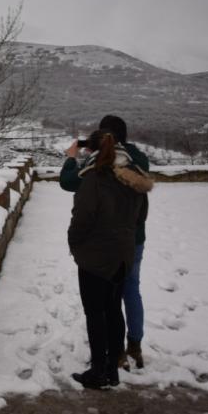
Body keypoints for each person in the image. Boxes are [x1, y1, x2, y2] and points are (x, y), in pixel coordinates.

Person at [61, 115, 149, 370]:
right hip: (132, 238)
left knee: (101, 305)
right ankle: (133, 345)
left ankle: (110, 359)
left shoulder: (97, 166)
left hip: (103, 244)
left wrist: (73, 157)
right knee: (129, 291)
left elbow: (69, 182)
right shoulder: (137, 160)